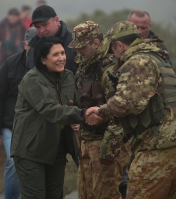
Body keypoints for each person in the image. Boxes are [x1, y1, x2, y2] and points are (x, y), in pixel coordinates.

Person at [85, 21, 176, 199]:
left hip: (157, 144)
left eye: (113, 51)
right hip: (175, 139)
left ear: (119, 45)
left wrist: (101, 111)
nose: (114, 57)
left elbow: (127, 103)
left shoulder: (137, 62)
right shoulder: (155, 56)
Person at [10, 36, 95, 199]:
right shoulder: (32, 79)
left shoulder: (68, 76)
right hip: (30, 151)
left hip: (56, 148)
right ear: (43, 59)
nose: (62, 58)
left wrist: (80, 119)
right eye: (55, 55)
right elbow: (49, 109)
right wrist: (81, 115)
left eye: (63, 53)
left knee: (55, 195)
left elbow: (76, 104)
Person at [68, 21, 130, 199]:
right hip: (86, 141)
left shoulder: (110, 67)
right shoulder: (83, 67)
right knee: (86, 194)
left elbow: (122, 106)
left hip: (107, 142)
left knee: (105, 194)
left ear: (95, 43)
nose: (78, 51)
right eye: (76, 47)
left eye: (82, 47)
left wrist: (102, 118)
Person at [0, 27, 36, 199]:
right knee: (14, 161)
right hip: (11, 125)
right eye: (33, 46)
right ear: (25, 45)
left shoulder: (47, 65)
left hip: (36, 125)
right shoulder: (10, 64)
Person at [26, 5, 78, 74]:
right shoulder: (33, 47)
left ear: (56, 20)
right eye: (37, 27)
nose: (42, 31)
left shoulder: (75, 43)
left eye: (45, 25)